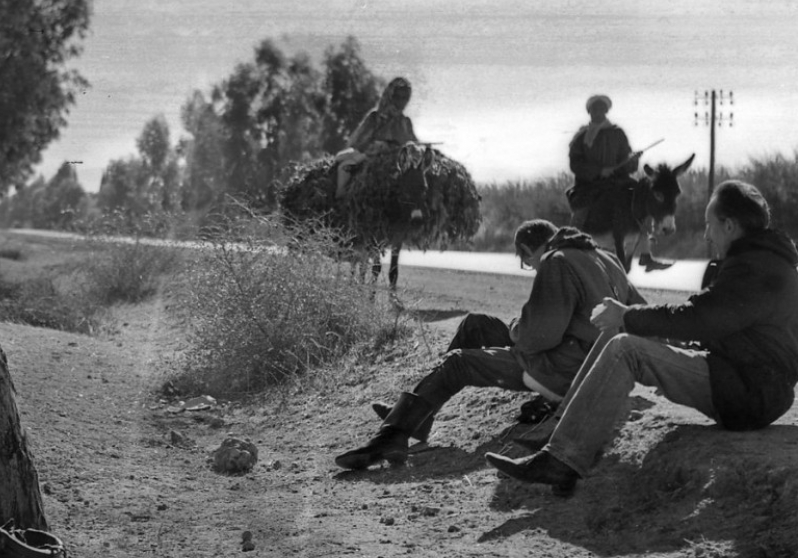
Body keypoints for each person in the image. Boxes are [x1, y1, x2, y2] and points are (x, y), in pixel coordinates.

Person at [486, 180, 798, 497]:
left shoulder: (756, 269)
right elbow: (715, 323)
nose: (705, 235)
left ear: (729, 226)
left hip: (749, 394)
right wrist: (630, 320)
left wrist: (629, 315)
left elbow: (699, 319)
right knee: (616, 332)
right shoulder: (760, 261)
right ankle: (561, 433)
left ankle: (562, 460)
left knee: (626, 349)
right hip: (738, 376)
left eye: (708, 225)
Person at [334, 219, 645, 471]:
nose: (532, 269)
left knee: (457, 363)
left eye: (527, 263)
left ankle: (389, 439)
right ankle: (418, 418)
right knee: (476, 325)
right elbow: (641, 312)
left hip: (566, 368)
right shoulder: (605, 257)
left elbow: (540, 336)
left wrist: (515, 332)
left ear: (526, 250)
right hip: (600, 361)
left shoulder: (556, 262)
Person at [335, 77, 419, 199]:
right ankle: (341, 193)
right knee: (339, 157)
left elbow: (411, 143)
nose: (401, 102)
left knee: (344, 166)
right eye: (397, 97)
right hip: (367, 152)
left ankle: (341, 194)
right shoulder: (375, 117)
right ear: (390, 96)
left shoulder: (404, 122)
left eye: (404, 98)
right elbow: (360, 140)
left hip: (387, 158)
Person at [566, 94, 639, 228]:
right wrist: (598, 171)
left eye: (601, 110)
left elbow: (625, 159)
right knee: (581, 213)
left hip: (617, 181)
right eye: (595, 110)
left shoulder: (618, 134)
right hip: (589, 185)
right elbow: (575, 163)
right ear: (590, 112)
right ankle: (573, 236)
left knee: (640, 197)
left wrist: (632, 161)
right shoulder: (581, 137)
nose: (598, 113)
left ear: (606, 111)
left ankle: (644, 237)